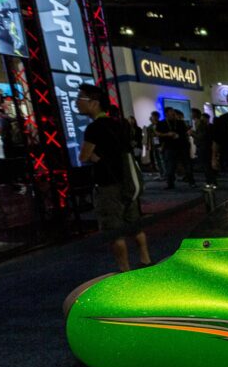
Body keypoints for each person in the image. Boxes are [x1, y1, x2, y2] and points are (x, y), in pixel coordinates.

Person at [76, 83, 151, 272]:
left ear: (94, 103)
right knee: (135, 223)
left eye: (80, 98)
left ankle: (124, 269)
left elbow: (83, 156)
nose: (77, 103)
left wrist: (96, 157)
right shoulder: (119, 124)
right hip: (127, 181)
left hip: (107, 185)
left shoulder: (94, 128)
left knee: (114, 230)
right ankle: (145, 259)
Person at [156, 108, 194, 189]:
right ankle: (170, 183)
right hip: (169, 147)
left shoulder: (180, 122)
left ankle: (191, 181)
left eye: (173, 112)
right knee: (170, 166)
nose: (173, 114)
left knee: (187, 164)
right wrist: (167, 134)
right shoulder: (161, 123)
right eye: (171, 112)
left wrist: (179, 135)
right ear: (166, 114)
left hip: (182, 146)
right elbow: (157, 133)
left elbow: (185, 133)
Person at [193, 109, 216, 186]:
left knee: (207, 165)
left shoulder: (205, 126)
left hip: (205, 147)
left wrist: (192, 134)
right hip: (205, 147)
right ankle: (211, 181)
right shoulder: (204, 126)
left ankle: (210, 182)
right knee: (207, 165)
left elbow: (201, 137)